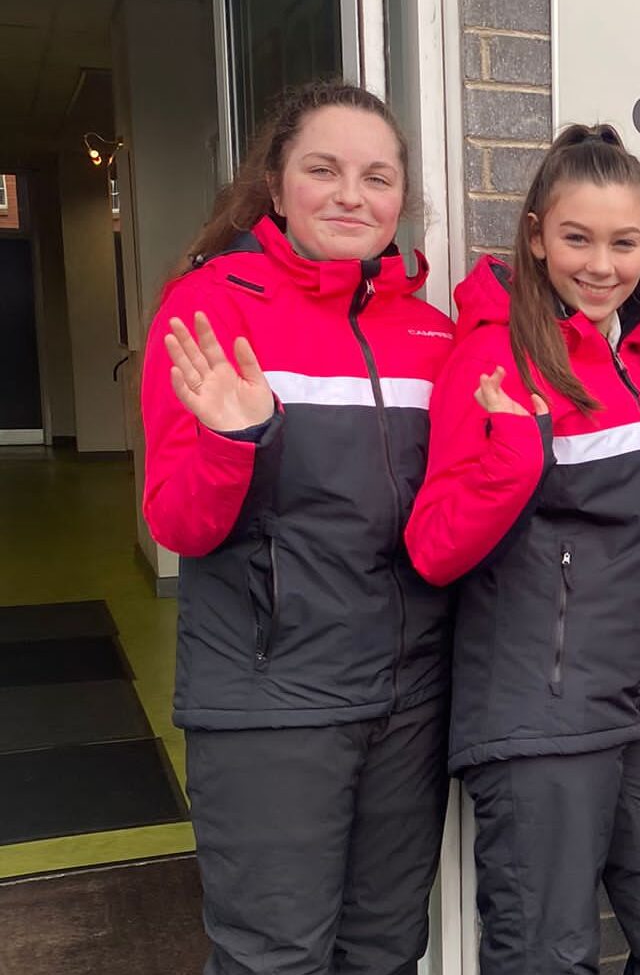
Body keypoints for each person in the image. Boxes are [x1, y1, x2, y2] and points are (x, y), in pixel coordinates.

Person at [404, 123, 640, 975]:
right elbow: (434, 546)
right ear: (535, 234)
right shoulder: (490, 356)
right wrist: (513, 456)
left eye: (623, 242)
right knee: (547, 956)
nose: (601, 263)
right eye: (576, 237)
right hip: (539, 711)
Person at [141, 82, 455, 975]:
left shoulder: (431, 334)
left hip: (408, 701)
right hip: (270, 699)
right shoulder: (211, 307)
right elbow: (178, 521)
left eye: (377, 176)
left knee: (387, 949)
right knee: (274, 958)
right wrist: (237, 438)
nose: (352, 195)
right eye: (323, 170)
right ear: (275, 188)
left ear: (401, 199)